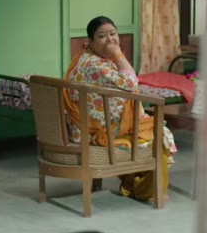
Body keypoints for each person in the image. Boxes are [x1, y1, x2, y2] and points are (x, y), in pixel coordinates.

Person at [63, 16, 177, 202]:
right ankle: (147, 192)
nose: (109, 39)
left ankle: (130, 186)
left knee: (149, 127)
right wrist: (118, 54)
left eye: (112, 33)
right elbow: (131, 83)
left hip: (92, 126)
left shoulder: (88, 57)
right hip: (98, 132)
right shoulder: (94, 64)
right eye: (102, 36)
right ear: (91, 42)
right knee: (161, 136)